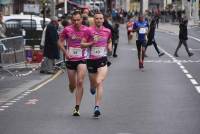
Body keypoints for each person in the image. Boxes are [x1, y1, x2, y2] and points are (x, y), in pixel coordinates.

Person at [58, 11, 90, 116]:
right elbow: (60, 42)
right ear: (72, 20)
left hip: (82, 59)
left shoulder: (87, 30)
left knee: (80, 81)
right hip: (70, 59)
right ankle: (71, 86)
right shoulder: (67, 30)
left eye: (78, 20)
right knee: (73, 84)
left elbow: (93, 42)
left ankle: (77, 108)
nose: (76, 22)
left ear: (82, 19)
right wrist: (65, 52)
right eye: (74, 20)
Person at [81, 12, 112, 118]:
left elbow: (109, 41)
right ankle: (92, 86)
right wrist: (91, 43)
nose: (99, 20)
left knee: (99, 82)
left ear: (103, 20)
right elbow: (82, 44)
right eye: (97, 18)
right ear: (94, 20)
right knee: (94, 83)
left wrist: (109, 46)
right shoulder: (88, 31)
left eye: (101, 18)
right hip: (91, 60)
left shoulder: (107, 31)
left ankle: (97, 107)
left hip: (102, 59)